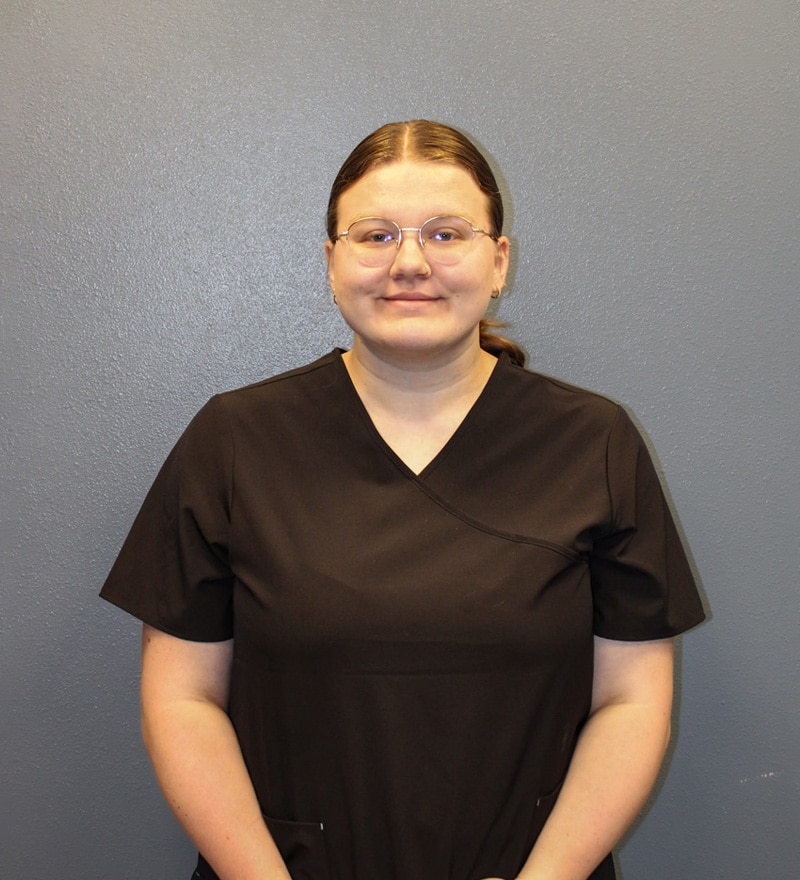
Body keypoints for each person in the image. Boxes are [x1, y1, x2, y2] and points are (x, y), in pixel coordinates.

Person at [101, 119, 705, 880]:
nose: (410, 262)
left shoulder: (595, 443)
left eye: (446, 234)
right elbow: (182, 699)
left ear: (498, 260)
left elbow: (632, 703)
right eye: (375, 235)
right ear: (330, 261)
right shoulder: (233, 440)